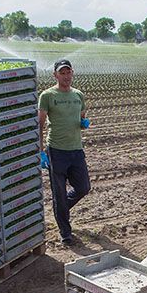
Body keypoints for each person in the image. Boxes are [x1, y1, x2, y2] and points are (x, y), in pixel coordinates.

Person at [38, 59, 89, 246]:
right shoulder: (47, 95)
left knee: (84, 187)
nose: (66, 76)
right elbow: (40, 124)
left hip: (76, 149)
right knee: (58, 192)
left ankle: (61, 210)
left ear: (72, 73)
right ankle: (65, 232)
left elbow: (82, 118)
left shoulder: (78, 95)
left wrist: (83, 124)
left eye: (69, 72)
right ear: (55, 75)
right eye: (62, 73)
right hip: (56, 150)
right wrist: (41, 152)